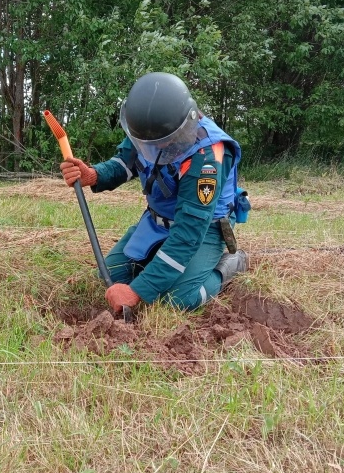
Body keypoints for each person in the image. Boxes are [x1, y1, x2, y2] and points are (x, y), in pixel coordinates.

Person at [60, 72, 250, 314]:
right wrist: (94, 175)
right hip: (157, 221)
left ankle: (230, 266)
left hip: (204, 228)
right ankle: (160, 263)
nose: (154, 148)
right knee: (109, 274)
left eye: (163, 142)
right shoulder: (147, 130)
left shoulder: (208, 157)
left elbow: (187, 234)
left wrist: (137, 291)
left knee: (175, 300)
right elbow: (125, 162)